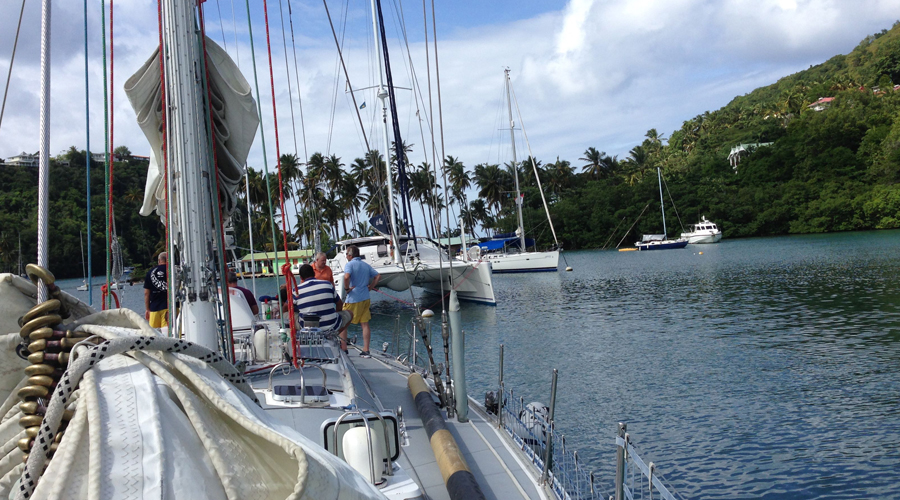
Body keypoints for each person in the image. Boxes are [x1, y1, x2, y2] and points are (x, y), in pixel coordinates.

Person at [339, 245, 380, 357]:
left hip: (353, 298)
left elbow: (346, 277)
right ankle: (366, 349)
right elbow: (377, 276)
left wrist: (347, 289)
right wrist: (371, 287)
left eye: (347, 254)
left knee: (343, 323)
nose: (346, 256)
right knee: (365, 324)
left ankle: (344, 348)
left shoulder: (349, 264)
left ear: (350, 255)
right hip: (365, 297)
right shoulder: (365, 265)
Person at [293, 264, 352, 334]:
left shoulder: (296, 290)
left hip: (306, 327)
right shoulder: (328, 284)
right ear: (314, 273)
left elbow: (286, 308)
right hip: (331, 326)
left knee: (288, 314)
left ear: (301, 277)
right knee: (350, 313)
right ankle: (335, 334)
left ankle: (297, 337)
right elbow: (339, 304)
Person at [144, 252, 168, 328]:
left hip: (154, 308)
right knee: (168, 332)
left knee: (154, 334)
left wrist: (147, 309)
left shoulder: (150, 273)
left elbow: (146, 293)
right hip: (169, 307)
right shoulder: (172, 271)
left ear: (159, 260)